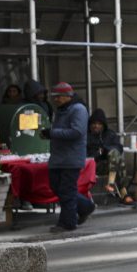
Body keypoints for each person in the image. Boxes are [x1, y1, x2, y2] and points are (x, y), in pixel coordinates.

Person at [41, 83, 95, 232]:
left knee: (66, 190)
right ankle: (85, 206)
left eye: (58, 97)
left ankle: (67, 222)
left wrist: (52, 133)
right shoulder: (61, 110)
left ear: (67, 96)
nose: (55, 100)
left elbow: (77, 132)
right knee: (57, 187)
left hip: (71, 158)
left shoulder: (78, 109)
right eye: (54, 97)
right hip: (58, 157)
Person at [86, 109, 133, 206]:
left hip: (110, 164)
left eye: (99, 124)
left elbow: (119, 148)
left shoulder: (110, 134)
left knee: (115, 155)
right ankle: (124, 194)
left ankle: (111, 184)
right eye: (94, 123)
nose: (96, 126)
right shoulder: (86, 136)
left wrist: (106, 150)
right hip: (94, 165)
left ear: (103, 125)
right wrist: (99, 153)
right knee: (119, 162)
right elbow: (86, 156)